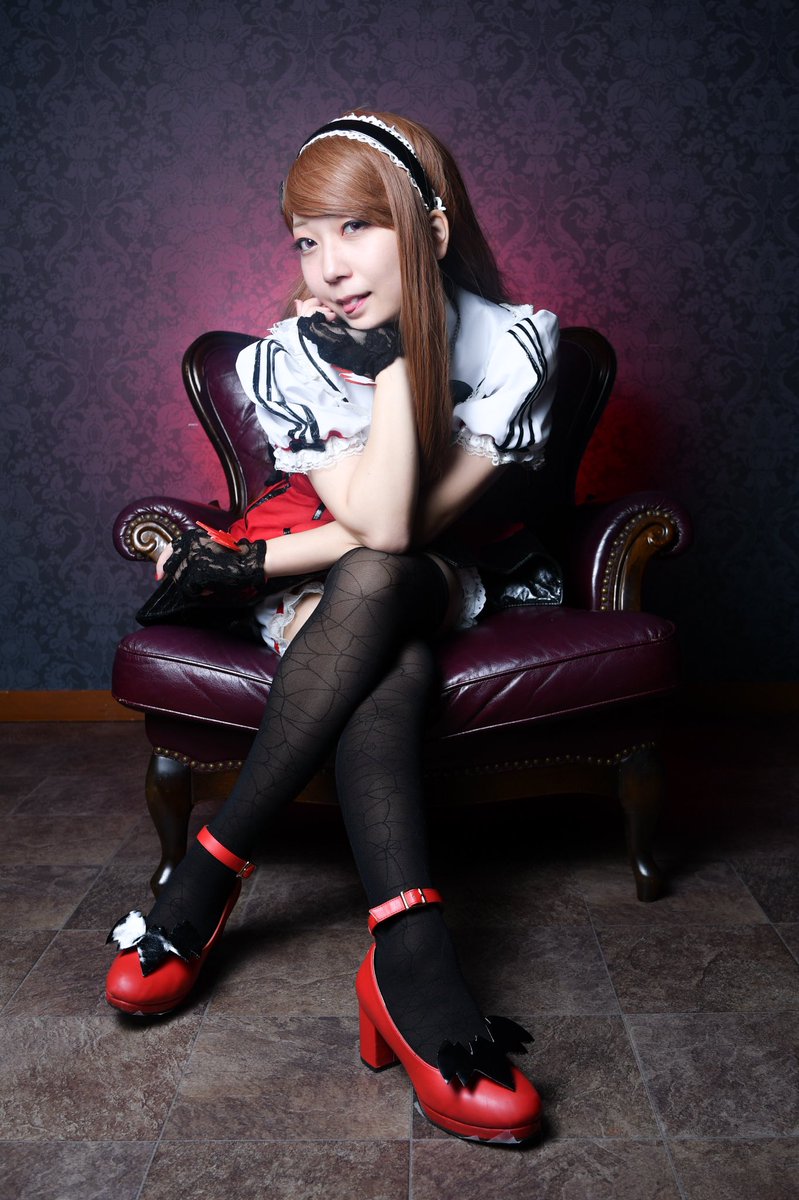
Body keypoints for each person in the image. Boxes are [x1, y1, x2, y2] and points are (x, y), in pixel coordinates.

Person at [106, 110, 558, 1146]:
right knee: (377, 630)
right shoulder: (291, 358)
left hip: (447, 569)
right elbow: (364, 531)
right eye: (306, 239)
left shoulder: (512, 343)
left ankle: (208, 872)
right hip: (351, 592)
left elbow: (401, 527)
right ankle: (408, 959)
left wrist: (393, 363)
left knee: (383, 576)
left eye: (356, 227)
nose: (328, 265)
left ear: (430, 230)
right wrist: (377, 365)